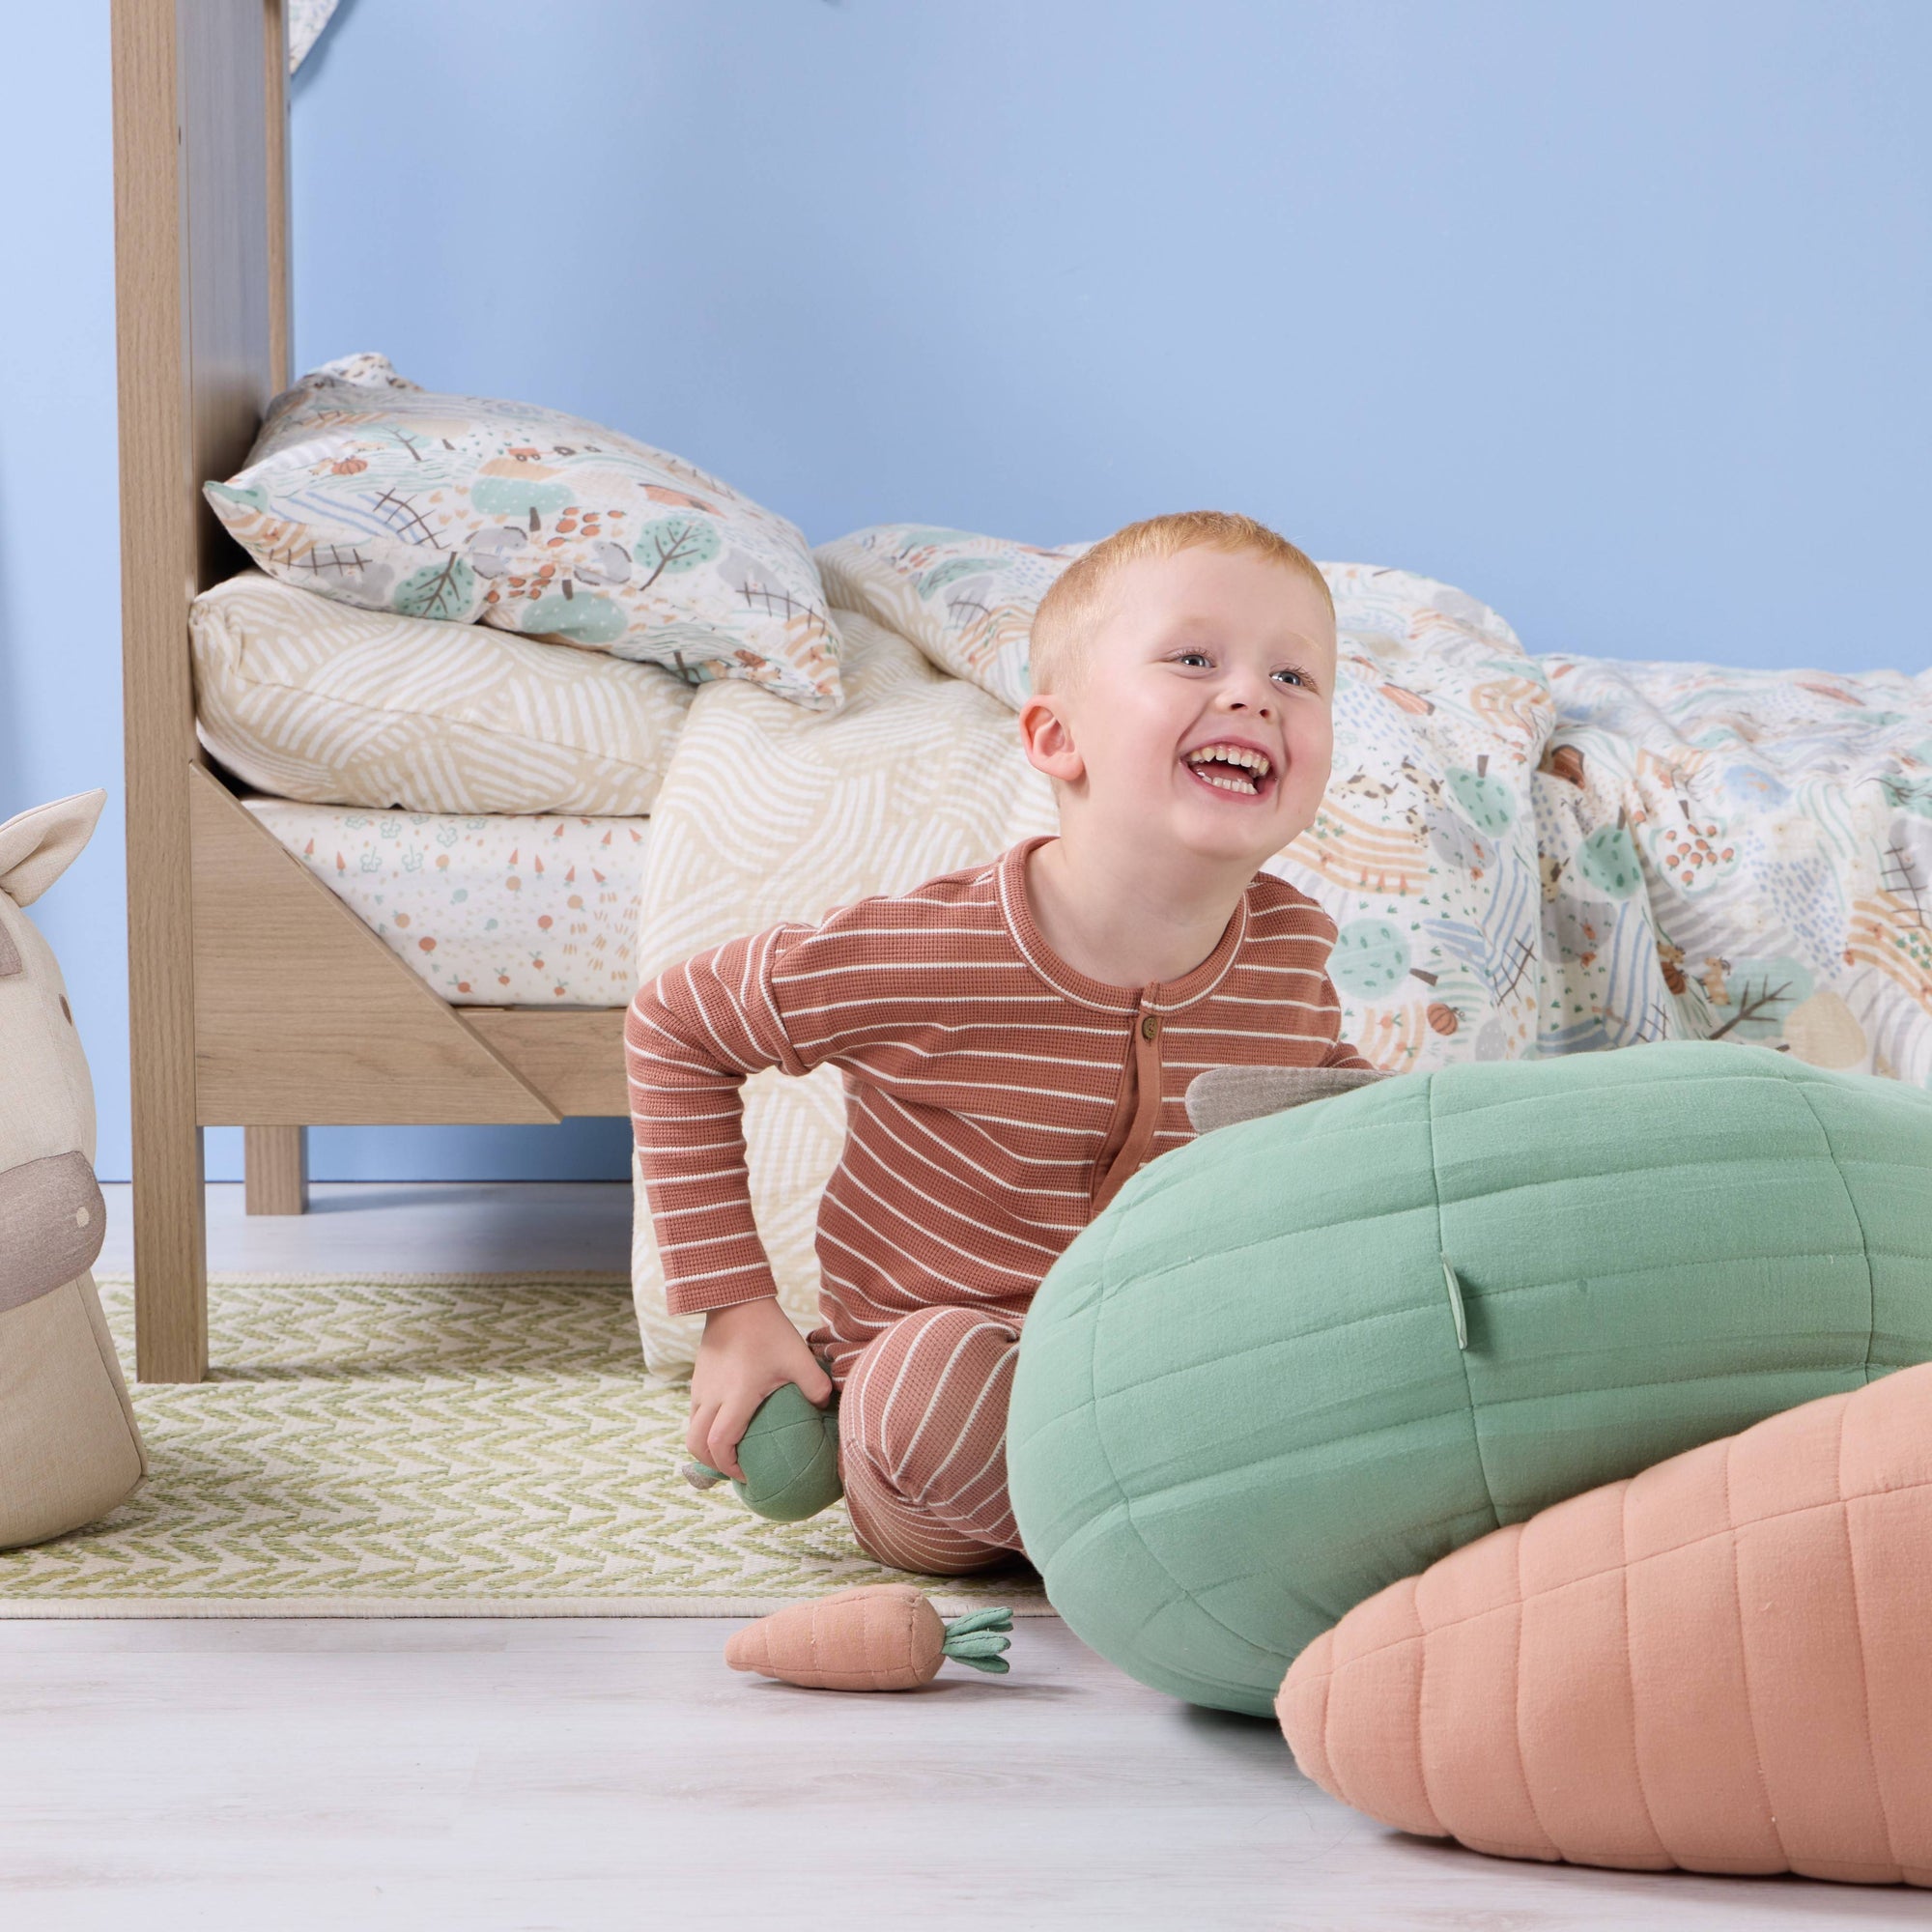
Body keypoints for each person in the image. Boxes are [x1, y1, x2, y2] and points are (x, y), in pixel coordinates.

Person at [627, 510, 1370, 1574]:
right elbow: (677, 1025)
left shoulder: (1289, 948)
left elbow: (1317, 1124)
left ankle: (1177, 1522)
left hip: (1165, 1371)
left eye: (1295, 678)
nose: (1253, 691)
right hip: (953, 1398)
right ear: (1056, 738)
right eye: (1194, 657)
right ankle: (1195, 1544)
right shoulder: (933, 947)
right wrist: (735, 1309)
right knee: (932, 1384)